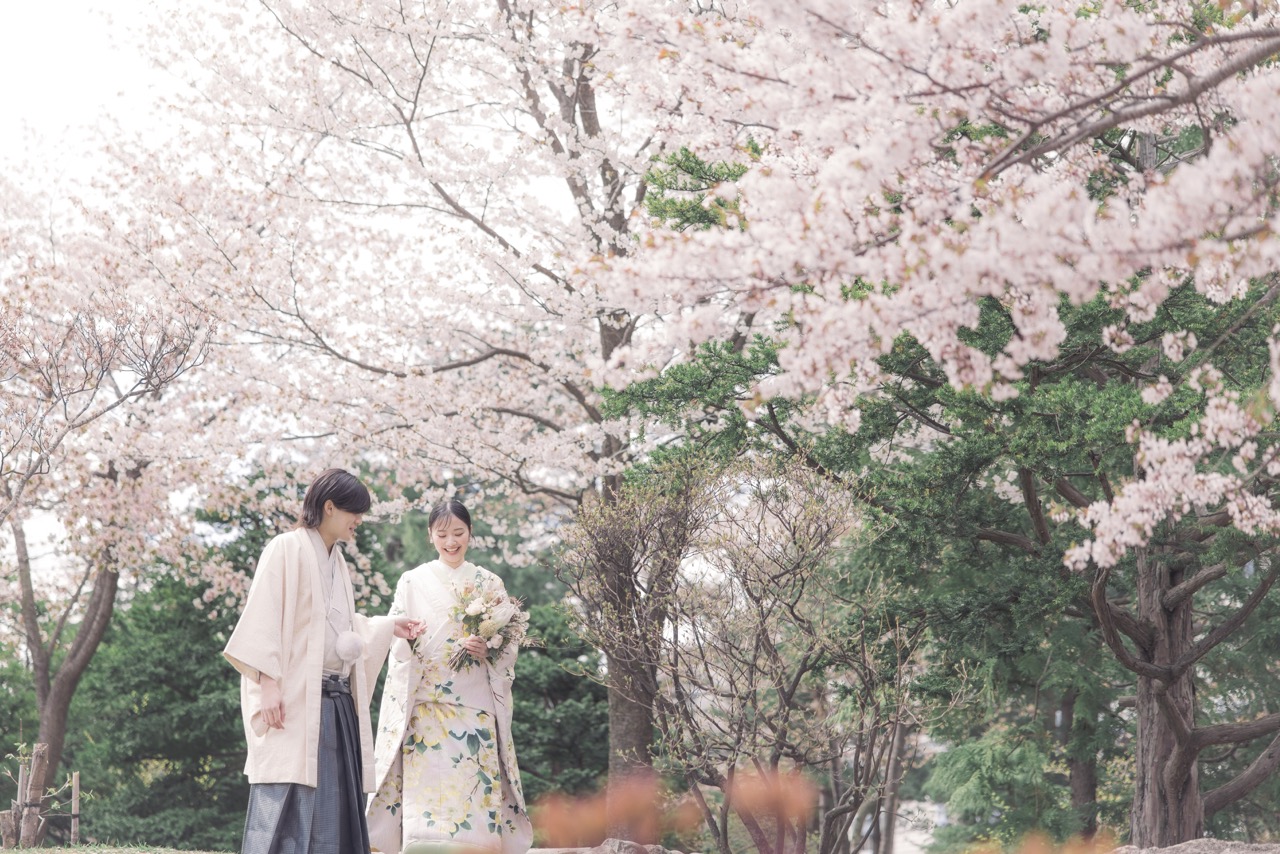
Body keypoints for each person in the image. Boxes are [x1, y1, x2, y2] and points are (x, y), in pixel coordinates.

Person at [224, 468, 424, 854]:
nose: (359, 522)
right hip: (295, 701)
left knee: (335, 807)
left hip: (335, 705)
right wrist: (267, 683)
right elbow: (263, 616)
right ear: (329, 507)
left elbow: (338, 630)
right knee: (288, 795)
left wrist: (387, 626)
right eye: (355, 512)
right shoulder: (286, 548)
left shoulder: (338, 563)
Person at [367, 498, 533, 854]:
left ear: (470, 533)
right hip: (425, 707)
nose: (451, 541)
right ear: (430, 536)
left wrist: (489, 649)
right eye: (442, 534)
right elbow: (395, 638)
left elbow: (510, 646)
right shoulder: (411, 581)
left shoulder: (489, 583)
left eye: (458, 532)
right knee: (427, 800)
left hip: (474, 706)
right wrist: (407, 636)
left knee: (472, 794)